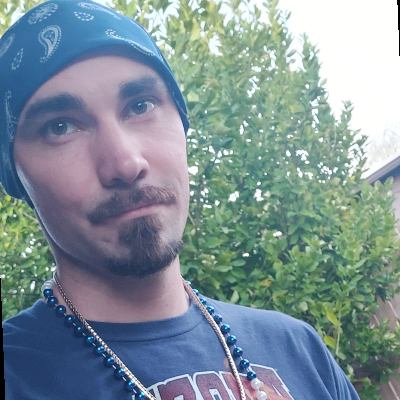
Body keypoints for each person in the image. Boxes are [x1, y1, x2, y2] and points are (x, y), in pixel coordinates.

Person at [1, 1, 360, 399]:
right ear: (17, 176)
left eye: (140, 106)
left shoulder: (298, 349)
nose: (125, 163)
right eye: (60, 127)